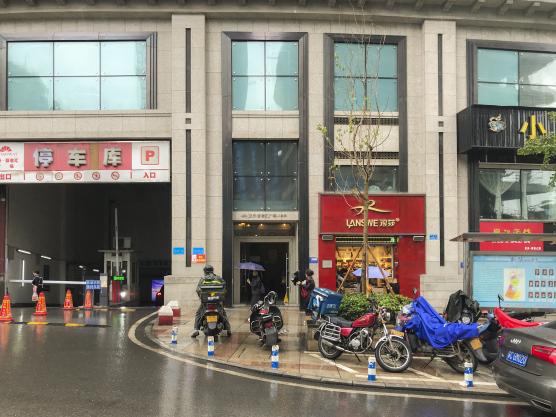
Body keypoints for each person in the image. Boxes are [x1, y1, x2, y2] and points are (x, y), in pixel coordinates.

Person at [191, 265, 231, 338]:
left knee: (198, 314)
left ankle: (196, 330)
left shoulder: (203, 279)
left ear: (205, 271)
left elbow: (198, 290)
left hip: (206, 302)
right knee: (223, 314)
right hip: (217, 301)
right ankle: (228, 329)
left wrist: (201, 297)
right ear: (212, 270)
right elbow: (224, 288)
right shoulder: (218, 278)